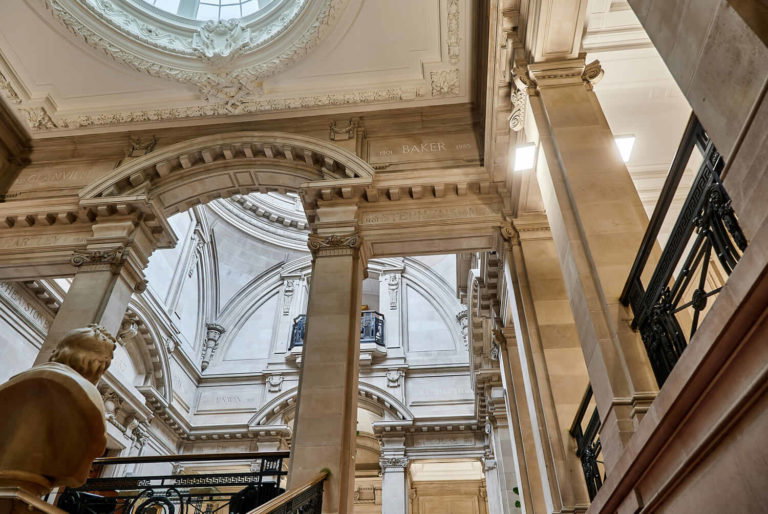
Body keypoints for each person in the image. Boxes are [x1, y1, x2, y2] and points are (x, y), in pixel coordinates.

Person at [0, 325, 116, 496]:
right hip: (26, 493)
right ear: (99, 366)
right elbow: (81, 468)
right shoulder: (87, 394)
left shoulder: (13, 382)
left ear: (58, 350)